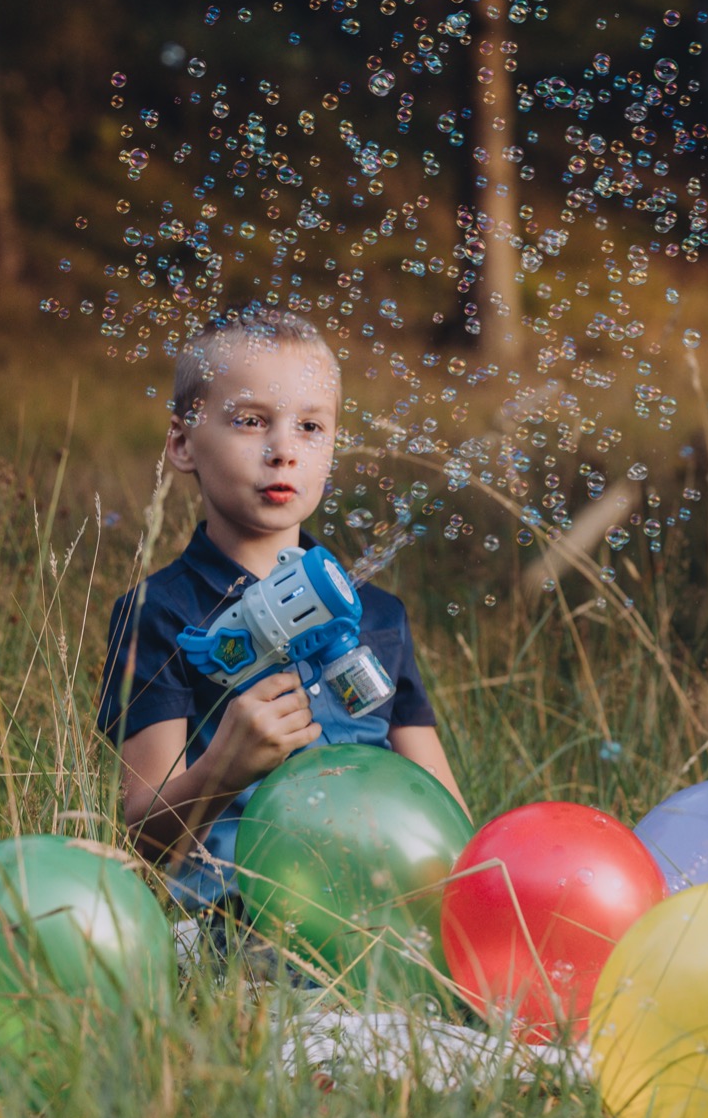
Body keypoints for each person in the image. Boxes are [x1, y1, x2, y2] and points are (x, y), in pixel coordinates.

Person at [96, 308, 466, 932]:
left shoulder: (377, 616)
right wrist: (225, 769)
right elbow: (144, 840)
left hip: (380, 924)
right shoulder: (160, 613)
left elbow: (446, 815)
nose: (283, 450)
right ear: (183, 443)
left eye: (311, 427)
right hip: (233, 923)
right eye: (250, 421)